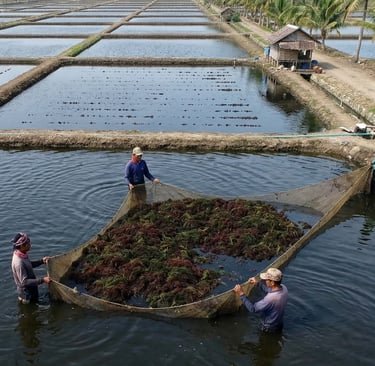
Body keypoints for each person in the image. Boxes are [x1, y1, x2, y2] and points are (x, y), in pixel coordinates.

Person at [233, 267, 288, 333]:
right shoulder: (284, 288)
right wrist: (257, 284)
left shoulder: (270, 299)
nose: (265, 281)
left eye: (267, 280)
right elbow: (269, 290)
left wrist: (241, 294)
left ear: (272, 282)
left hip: (268, 327)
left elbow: (253, 309)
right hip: (279, 323)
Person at [11, 232, 51, 304]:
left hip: (31, 289)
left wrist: (41, 261)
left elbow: (29, 264)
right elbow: (24, 282)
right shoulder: (19, 263)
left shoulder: (22, 254)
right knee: (31, 311)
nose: (30, 245)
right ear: (22, 246)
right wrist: (43, 280)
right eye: (28, 244)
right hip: (27, 295)